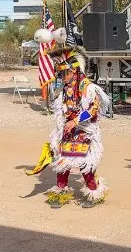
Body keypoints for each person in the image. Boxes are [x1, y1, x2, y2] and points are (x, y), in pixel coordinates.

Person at [42, 46, 110, 208]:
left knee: (84, 163)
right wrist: (64, 124)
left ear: (74, 71)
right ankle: (61, 190)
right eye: (61, 73)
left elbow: (93, 109)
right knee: (62, 161)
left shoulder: (87, 87)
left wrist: (76, 121)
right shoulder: (66, 88)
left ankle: (94, 192)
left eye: (65, 73)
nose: (62, 76)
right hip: (67, 130)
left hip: (84, 130)